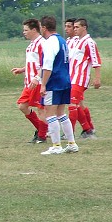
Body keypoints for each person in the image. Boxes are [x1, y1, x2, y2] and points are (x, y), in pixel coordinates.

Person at [38, 15, 78, 155]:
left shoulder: (50, 42)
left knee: (50, 113)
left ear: (44, 28)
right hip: (65, 80)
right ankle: (72, 143)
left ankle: (56, 146)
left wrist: (43, 84)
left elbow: (47, 65)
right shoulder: (62, 41)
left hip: (54, 83)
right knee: (61, 113)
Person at [10, 18, 48, 143]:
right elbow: (33, 63)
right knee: (22, 106)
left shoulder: (42, 43)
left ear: (34, 30)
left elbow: (45, 64)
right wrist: (22, 69)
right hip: (29, 82)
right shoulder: (32, 44)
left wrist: (38, 78)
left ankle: (42, 136)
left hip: (38, 82)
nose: (24, 32)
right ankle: (43, 130)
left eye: (26, 30)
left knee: (41, 109)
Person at [68, 18, 101, 139]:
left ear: (84, 27)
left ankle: (69, 133)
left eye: (77, 27)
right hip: (71, 78)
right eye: (74, 27)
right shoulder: (76, 41)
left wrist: (97, 78)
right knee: (79, 105)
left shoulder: (89, 42)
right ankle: (88, 129)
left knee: (72, 104)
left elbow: (96, 61)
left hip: (80, 78)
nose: (74, 29)